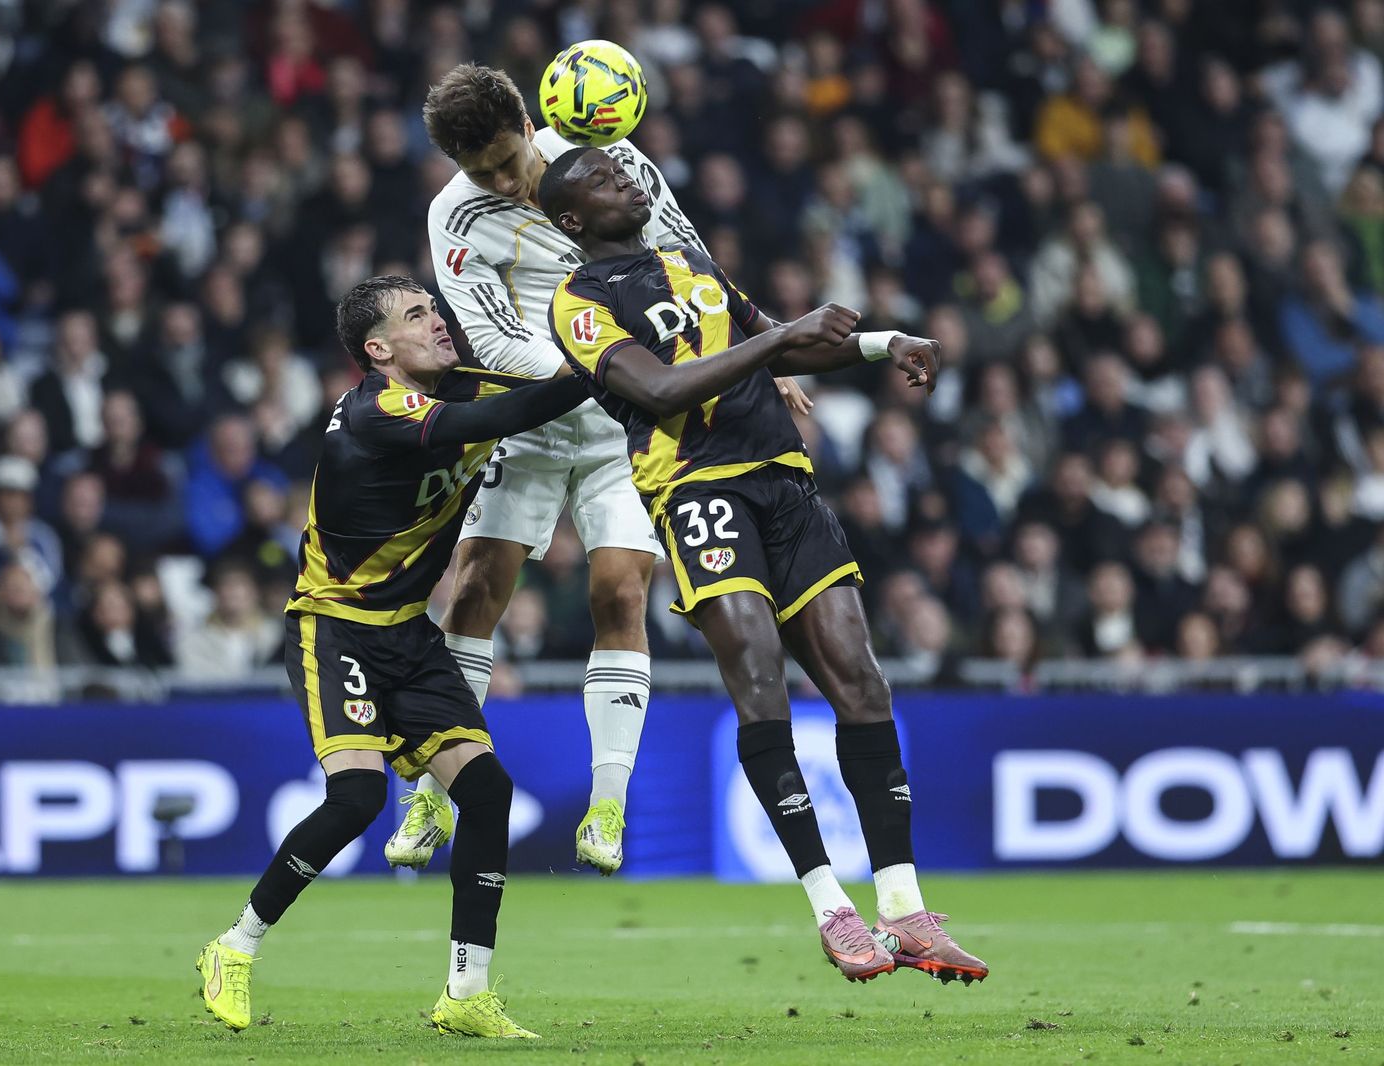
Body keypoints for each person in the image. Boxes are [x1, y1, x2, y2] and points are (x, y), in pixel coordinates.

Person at [536, 146, 988, 986]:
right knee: (758, 672)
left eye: (623, 172)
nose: (626, 180)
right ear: (571, 220)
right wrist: (780, 334)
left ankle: (903, 908)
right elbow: (663, 390)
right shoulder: (579, 301)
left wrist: (882, 342)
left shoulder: (691, 262)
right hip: (696, 487)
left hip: (785, 482)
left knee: (862, 682)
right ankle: (831, 908)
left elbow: (781, 351)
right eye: (601, 180)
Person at [387, 63, 810, 876]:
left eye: (511, 162)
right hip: (543, 410)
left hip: (634, 419)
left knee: (620, 592)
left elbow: (688, 258)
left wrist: (765, 346)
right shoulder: (456, 216)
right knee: (474, 589)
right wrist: (608, 363)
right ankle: (433, 794)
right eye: (485, 174)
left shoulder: (605, 156)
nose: (506, 183)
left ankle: (607, 808)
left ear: (527, 123)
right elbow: (489, 336)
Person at [196, 275, 586, 1038]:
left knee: (488, 791)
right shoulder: (375, 411)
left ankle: (466, 993)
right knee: (358, 801)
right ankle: (233, 947)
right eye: (416, 316)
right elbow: (518, 409)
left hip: (407, 630)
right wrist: (598, 365)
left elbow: (530, 389)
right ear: (377, 351)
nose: (437, 321)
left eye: (434, 308)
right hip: (335, 624)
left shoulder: (458, 383)